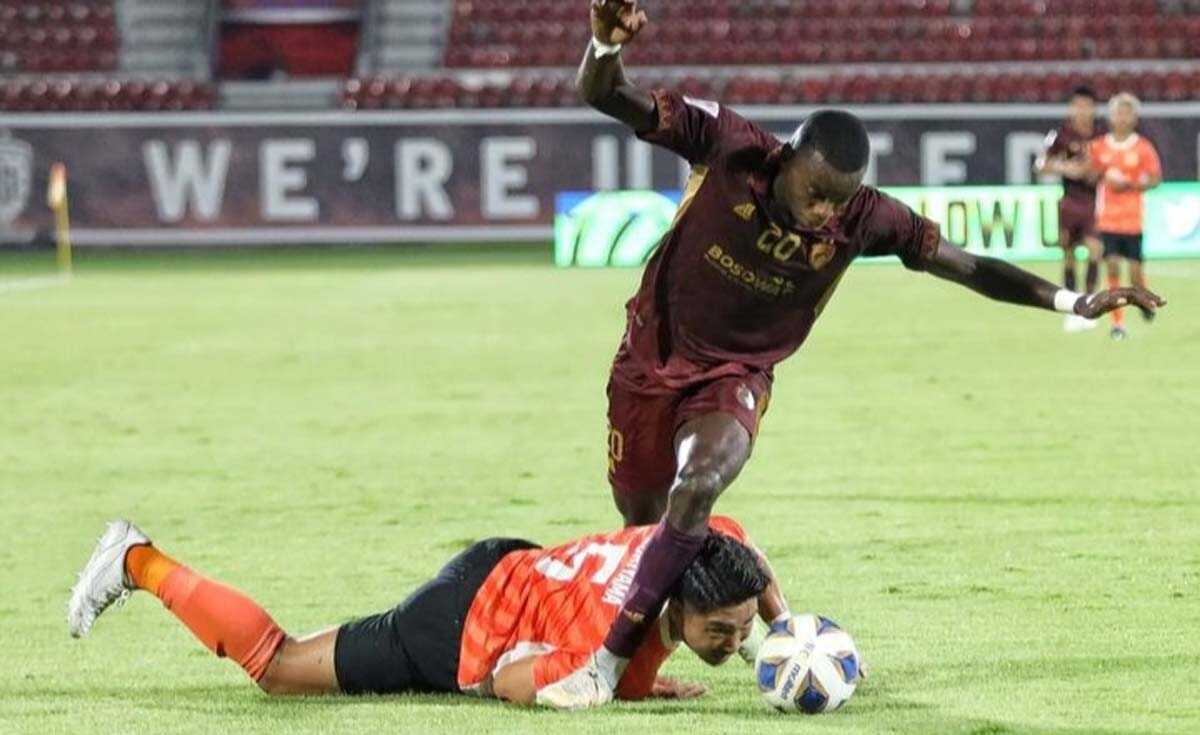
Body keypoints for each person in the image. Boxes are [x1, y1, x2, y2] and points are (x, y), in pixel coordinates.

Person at [560, 0, 1168, 708]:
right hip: (647, 361)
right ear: (788, 160)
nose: (825, 212)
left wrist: (1068, 301)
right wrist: (603, 45)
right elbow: (606, 95)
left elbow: (968, 266)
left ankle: (603, 667)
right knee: (644, 527)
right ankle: (697, 643)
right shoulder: (728, 145)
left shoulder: (865, 218)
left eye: (837, 200)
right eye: (817, 194)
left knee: (697, 487)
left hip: (736, 374)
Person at [67, 516, 786, 709]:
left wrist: (781, 630)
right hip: (457, 629)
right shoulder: (600, 641)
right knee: (280, 668)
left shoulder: (699, 544)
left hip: (513, 564)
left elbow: (743, 542)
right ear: (675, 601)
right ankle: (135, 559)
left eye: (741, 626)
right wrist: (591, 685)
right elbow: (508, 682)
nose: (732, 640)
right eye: (719, 629)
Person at [1089, 92, 1163, 341]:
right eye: (1118, 112)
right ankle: (1118, 323)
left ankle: (1143, 301)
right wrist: (1100, 176)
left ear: (1134, 118)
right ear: (1111, 116)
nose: (1122, 117)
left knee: (1134, 272)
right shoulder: (1098, 147)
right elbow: (1088, 173)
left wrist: (1129, 183)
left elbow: (1154, 179)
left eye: (1126, 112)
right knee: (1111, 266)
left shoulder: (1143, 148)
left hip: (1132, 220)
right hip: (1107, 219)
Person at [1035, 86, 1105, 333]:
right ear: (1071, 108)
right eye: (1077, 106)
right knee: (1069, 255)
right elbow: (1041, 165)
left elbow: (1106, 163)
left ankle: (1090, 304)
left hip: (1095, 202)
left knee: (1095, 250)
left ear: (1093, 108)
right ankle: (1072, 307)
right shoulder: (1060, 134)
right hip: (1069, 202)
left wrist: (1094, 170)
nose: (1082, 111)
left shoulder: (1101, 134)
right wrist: (1067, 168)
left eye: (1086, 106)